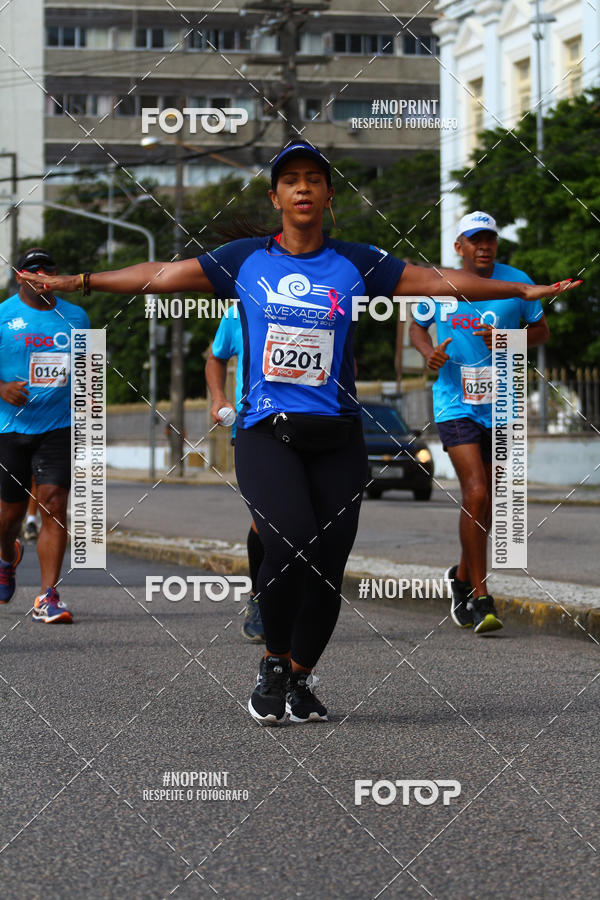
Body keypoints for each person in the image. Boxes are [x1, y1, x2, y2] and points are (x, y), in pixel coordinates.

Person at [20, 144, 578, 721]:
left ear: (328, 196)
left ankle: (302, 677)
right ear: (277, 197)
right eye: (291, 181)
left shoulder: (357, 263)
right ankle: (275, 660)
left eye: (315, 179)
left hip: (338, 435)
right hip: (267, 432)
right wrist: (79, 278)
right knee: (289, 543)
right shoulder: (244, 260)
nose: (303, 188)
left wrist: (520, 291)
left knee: (329, 565)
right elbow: (159, 276)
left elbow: (439, 282)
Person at [410, 211, 551, 634]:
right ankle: (482, 596)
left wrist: (511, 339)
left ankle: (460, 577)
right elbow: (416, 328)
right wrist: (428, 352)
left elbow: (541, 332)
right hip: (456, 403)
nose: (484, 246)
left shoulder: (516, 282)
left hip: (504, 403)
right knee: (475, 491)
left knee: (488, 502)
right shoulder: (440, 283)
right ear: (460, 247)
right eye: (475, 240)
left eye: (489, 239)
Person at [0, 247, 90, 622]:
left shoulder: (76, 316)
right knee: (8, 517)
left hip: (59, 425)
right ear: (21, 276)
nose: (40, 275)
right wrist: (2, 388)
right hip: (9, 427)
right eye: (32, 270)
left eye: (46, 270)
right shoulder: (3, 316)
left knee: (54, 504)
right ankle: (7, 557)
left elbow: (88, 371)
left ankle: (48, 596)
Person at [205, 306, 265, 643]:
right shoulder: (239, 309)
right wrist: (218, 397)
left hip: (312, 427)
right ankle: (260, 598)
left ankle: (296, 598)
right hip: (254, 429)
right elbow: (216, 357)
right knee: (265, 519)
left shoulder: (318, 300)